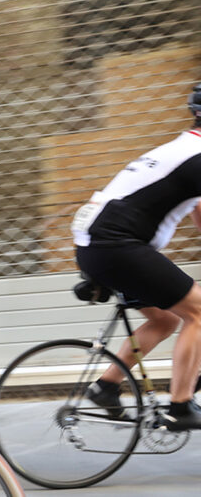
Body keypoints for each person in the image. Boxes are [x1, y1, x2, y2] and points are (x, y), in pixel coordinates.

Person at [71, 82, 201, 431]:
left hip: (99, 245)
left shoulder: (185, 150)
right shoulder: (196, 158)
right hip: (115, 247)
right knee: (199, 313)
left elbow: (197, 209)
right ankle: (181, 407)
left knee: (165, 319)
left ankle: (107, 386)